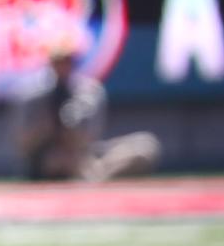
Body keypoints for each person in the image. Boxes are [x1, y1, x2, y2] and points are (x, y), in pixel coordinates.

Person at [10, 47, 161, 182]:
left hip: (84, 157)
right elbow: (22, 143)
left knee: (145, 146)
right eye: (59, 61)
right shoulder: (32, 94)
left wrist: (72, 126)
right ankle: (90, 178)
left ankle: (92, 178)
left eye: (67, 60)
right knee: (54, 161)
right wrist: (46, 124)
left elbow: (91, 136)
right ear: (51, 63)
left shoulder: (87, 91)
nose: (63, 66)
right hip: (47, 158)